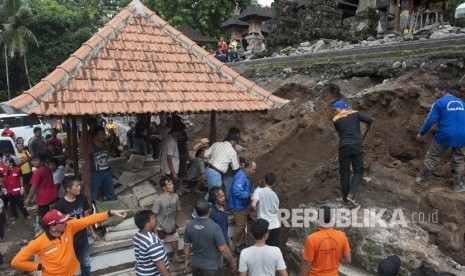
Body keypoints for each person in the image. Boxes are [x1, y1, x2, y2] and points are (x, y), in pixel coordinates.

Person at [11, 209, 127, 275]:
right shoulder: (38, 242)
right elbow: (16, 261)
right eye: (62, 222)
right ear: (53, 228)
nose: (66, 222)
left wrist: (109, 213)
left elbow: (88, 220)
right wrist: (38, 266)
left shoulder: (69, 227)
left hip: (72, 272)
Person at [416, 83, 465, 192]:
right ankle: (459, 186)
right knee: (460, 159)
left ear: (444, 91)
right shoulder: (461, 102)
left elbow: (429, 121)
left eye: (437, 91)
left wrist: (421, 133)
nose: (435, 94)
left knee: (432, 156)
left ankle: (424, 181)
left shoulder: (439, 103)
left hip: (445, 134)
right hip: (463, 135)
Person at [53, 177, 98, 276]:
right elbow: (56, 226)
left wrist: (93, 232)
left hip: (82, 238)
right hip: (68, 241)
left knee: (86, 263)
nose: (79, 187)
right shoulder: (59, 205)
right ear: (68, 189)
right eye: (76, 186)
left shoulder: (82, 198)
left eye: (79, 185)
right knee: (69, 266)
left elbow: (87, 216)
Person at [332, 100, 373, 207]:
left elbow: (341, 131)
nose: (335, 111)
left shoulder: (335, 120)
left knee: (344, 173)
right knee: (358, 172)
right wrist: (369, 123)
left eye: (336, 109)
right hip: (356, 145)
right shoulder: (355, 113)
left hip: (344, 147)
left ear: (340, 108)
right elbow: (369, 119)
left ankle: (345, 198)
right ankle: (351, 194)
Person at [184, 199, 237, 275]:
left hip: (195, 265)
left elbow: (187, 245)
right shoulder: (215, 227)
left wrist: (186, 259)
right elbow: (223, 249)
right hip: (211, 267)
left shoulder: (189, 226)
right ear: (210, 211)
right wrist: (232, 262)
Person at [299, 206, 351, 276]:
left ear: (318, 218)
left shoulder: (311, 238)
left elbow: (306, 264)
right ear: (332, 218)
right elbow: (348, 259)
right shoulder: (342, 235)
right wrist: (336, 255)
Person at [152, 176, 183, 263]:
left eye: (172, 183)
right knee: (160, 245)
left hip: (171, 224)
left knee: (175, 239)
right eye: (169, 184)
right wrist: (154, 230)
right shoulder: (158, 200)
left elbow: (177, 210)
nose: (172, 186)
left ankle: (175, 257)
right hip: (160, 226)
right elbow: (153, 216)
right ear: (164, 187)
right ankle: (161, 261)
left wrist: (176, 222)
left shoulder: (175, 196)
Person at [229, 159, 257, 255]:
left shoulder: (244, 175)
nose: (254, 172)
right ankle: (233, 246)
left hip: (242, 204)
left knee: (242, 225)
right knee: (240, 226)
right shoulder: (241, 177)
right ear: (248, 168)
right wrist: (249, 195)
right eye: (253, 170)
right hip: (238, 205)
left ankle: (240, 243)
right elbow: (236, 191)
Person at [204, 127, 241, 196]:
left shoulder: (216, 144)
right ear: (233, 141)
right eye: (236, 142)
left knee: (211, 192)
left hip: (208, 170)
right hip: (215, 174)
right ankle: (201, 206)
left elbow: (205, 154)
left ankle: (206, 205)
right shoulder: (232, 151)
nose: (236, 144)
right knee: (214, 196)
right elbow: (235, 168)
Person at [133, 210, 170, 276]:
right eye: (153, 218)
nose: (155, 219)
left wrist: (154, 230)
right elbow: (159, 263)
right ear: (147, 224)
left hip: (142, 271)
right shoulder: (152, 241)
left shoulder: (137, 235)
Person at [251, 172, 280, 247]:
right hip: (275, 225)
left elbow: (253, 204)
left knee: (262, 248)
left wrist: (254, 211)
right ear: (274, 183)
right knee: (274, 248)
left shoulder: (259, 190)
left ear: (264, 180)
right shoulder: (275, 195)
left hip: (263, 226)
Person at [89, 126, 115, 201]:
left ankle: (111, 210)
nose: (104, 136)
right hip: (95, 173)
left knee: (110, 193)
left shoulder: (105, 144)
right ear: (96, 136)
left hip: (106, 172)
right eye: (102, 134)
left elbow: (109, 154)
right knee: (93, 194)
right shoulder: (90, 146)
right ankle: (92, 210)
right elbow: (83, 157)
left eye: (104, 134)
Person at [160, 122, 185, 193]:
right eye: (182, 132)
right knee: (171, 186)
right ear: (177, 131)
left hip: (170, 169)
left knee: (171, 186)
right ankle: (172, 201)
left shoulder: (171, 138)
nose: (182, 134)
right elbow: (169, 158)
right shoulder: (171, 142)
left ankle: (171, 199)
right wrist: (173, 172)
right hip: (171, 170)